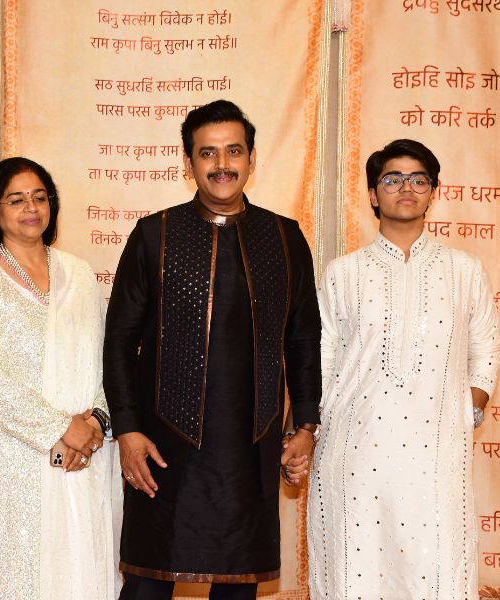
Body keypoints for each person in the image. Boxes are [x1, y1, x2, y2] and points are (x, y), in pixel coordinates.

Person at [103, 99, 321, 599]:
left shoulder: (284, 238)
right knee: (147, 585)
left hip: (251, 449)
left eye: (233, 151)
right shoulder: (154, 235)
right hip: (163, 450)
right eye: (208, 153)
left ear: (251, 158)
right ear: (189, 164)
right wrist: (128, 431)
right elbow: (119, 342)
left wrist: (305, 426)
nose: (222, 164)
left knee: (237, 586)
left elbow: (303, 339)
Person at [307, 139, 500, 599]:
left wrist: (467, 409)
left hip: (437, 451)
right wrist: (316, 422)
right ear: (373, 194)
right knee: (357, 565)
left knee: (434, 565)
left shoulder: (465, 270)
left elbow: (485, 348)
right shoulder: (343, 273)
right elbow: (322, 355)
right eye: (392, 179)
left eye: (418, 179)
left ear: (434, 191)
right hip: (355, 450)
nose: (406, 188)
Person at [0, 157, 119, 599]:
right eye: (17, 199)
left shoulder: (79, 275)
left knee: (78, 569)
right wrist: (59, 428)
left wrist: (95, 424)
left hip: (82, 457)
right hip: (4, 463)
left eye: (40, 197)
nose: (31, 208)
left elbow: (107, 358)